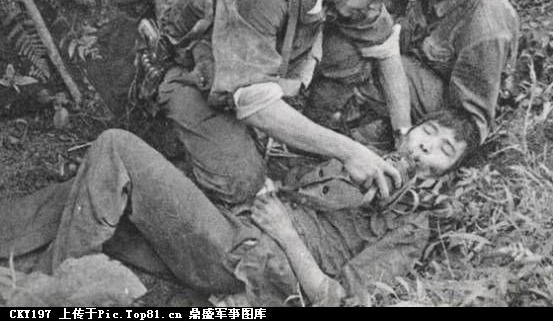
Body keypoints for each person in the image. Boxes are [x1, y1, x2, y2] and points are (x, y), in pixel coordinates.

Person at [0, 109, 477, 307]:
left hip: (251, 265)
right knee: (94, 191)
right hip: (234, 228)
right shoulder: (364, 161)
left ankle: (50, 293)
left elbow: (337, 301)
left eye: (443, 149)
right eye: (427, 132)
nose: (425, 146)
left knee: (115, 148)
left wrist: (285, 232)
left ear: (445, 175)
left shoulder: (411, 225)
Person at [145, 0, 423, 206]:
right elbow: (254, 105)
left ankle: (301, 136)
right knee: (242, 184)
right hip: (194, 74)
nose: (378, 6)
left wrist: (403, 135)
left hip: (257, 64)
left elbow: (386, 50)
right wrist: (349, 151)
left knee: (352, 55)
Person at [309, 0, 519, 150]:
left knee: (380, 67)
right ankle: (321, 119)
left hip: (442, 101)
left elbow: (471, 121)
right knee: (342, 47)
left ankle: (357, 127)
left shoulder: (487, 25)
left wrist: (438, 150)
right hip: (397, 60)